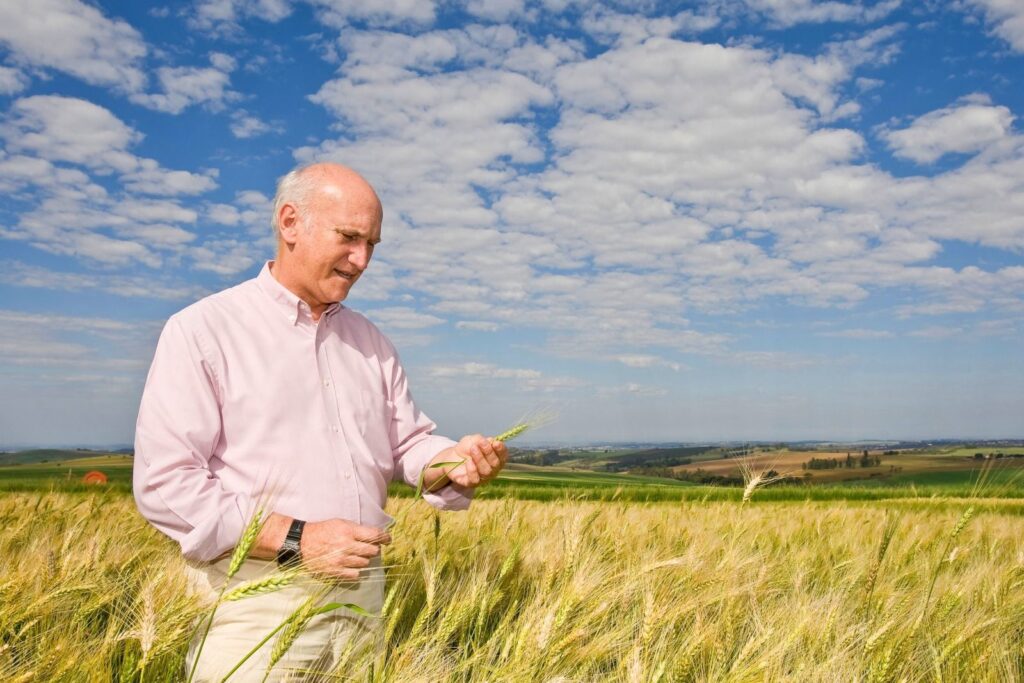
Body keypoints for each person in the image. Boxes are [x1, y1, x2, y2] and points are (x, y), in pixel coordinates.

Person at [132, 162, 508, 681]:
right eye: (349, 238)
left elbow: (407, 445)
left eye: (372, 244)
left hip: (363, 603)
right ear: (290, 223)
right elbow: (165, 484)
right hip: (252, 609)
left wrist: (453, 463)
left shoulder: (371, 342)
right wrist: (297, 539)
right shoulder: (202, 331)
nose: (361, 260)